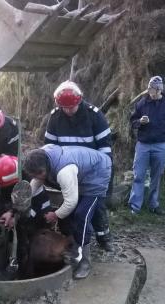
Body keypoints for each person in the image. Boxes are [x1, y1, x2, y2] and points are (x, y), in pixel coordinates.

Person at [23, 144, 112, 279]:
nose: (39, 178)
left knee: (82, 215)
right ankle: (73, 246)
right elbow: (35, 183)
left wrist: (55, 215)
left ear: (45, 167)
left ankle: (84, 261)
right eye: (35, 175)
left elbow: (71, 202)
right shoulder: (40, 159)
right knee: (67, 215)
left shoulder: (64, 171)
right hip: (81, 172)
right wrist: (22, 203)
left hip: (97, 172)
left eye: (40, 174)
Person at [44, 80, 113, 251]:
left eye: (71, 108)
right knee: (71, 203)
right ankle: (73, 239)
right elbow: (50, 147)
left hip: (93, 170)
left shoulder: (94, 116)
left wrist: (103, 174)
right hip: (67, 170)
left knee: (96, 207)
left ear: (79, 101)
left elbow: (105, 146)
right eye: (63, 108)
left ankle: (103, 237)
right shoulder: (55, 118)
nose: (67, 111)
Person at [0, 154, 52, 279]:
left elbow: (32, 207)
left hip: (37, 209)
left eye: (8, 186)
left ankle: (23, 264)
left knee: (26, 232)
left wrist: (15, 217)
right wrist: (0, 215)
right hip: (11, 203)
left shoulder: (30, 180)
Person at [128, 76, 165, 215]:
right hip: (143, 145)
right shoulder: (142, 103)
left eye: (152, 88)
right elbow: (132, 122)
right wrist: (140, 121)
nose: (149, 91)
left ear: (159, 90)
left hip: (161, 145)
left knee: (156, 177)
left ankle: (153, 204)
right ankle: (135, 207)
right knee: (138, 176)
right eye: (149, 88)